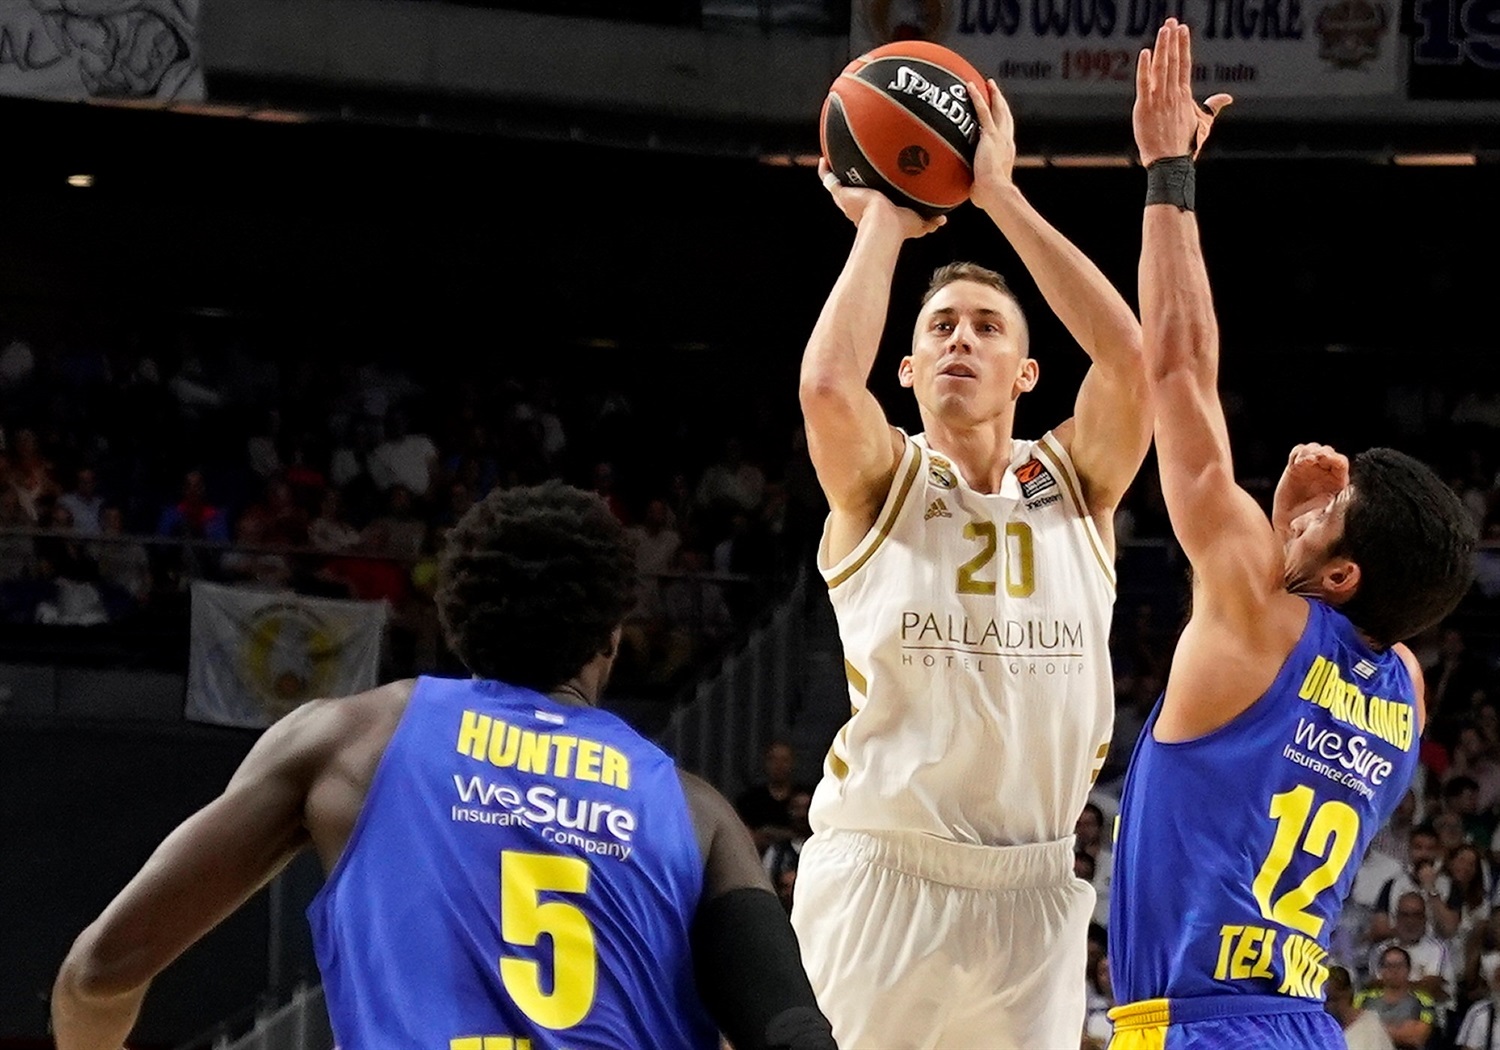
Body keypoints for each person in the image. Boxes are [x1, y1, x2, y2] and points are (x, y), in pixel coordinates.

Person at [52, 480, 839, 1050]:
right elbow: (794, 1032)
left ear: (457, 627)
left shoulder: (345, 742)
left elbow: (99, 970)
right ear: (611, 640)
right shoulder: (697, 810)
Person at [1105, 19, 1478, 1050]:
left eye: (1331, 513)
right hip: (1301, 1025)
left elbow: (1177, 373)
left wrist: (1168, 171)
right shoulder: (1403, 687)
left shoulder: (1254, 601)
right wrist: (1297, 540)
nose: (1310, 503)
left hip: (1190, 1024)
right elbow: (1321, 654)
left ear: (1347, 571)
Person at [793, 54, 1153, 1047]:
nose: (960, 339)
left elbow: (1129, 359)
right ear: (905, 367)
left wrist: (995, 191)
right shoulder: (883, 479)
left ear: (1027, 371)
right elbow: (827, 390)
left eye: (986, 327)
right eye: (939, 326)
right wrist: (882, 221)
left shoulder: (1077, 480)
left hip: (1033, 883)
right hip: (883, 866)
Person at [1324, 964, 1395, 1050]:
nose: (1328, 1007)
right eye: (1323, 1003)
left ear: (1348, 993)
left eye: (1333, 999)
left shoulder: (1370, 1027)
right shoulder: (1318, 1030)